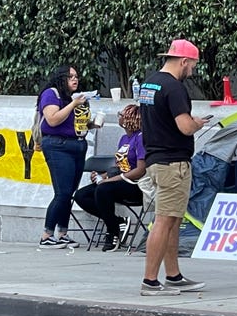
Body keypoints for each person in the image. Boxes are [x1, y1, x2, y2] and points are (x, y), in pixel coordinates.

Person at [138, 39, 211, 296]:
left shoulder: (150, 82)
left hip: (155, 159)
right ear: (184, 61)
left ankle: (173, 275)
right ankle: (150, 281)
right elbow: (184, 127)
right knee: (164, 221)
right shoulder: (174, 88)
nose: (192, 70)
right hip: (173, 163)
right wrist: (198, 123)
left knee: (172, 220)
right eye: (192, 65)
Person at [74, 103, 147, 252]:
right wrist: (103, 176)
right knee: (81, 195)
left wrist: (109, 181)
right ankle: (117, 222)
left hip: (135, 185)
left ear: (129, 119)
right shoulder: (123, 139)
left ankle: (112, 232)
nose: (118, 116)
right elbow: (120, 166)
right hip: (119, 182)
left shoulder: (141, 139)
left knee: (103, 190)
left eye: (121, 115)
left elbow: (140, 170)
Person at [37, 65, 94, 249]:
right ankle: (46, 235)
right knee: (62, 192)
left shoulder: (73, 98)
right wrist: (73, 104)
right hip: (57, 146)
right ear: (61, 79)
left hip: (77, 144)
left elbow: (75, 123)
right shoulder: (51, 94)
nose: (75, 80)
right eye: (70, 77)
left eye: (76, 76)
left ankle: (62, 233)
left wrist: (91, 124)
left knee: (69, 193)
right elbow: (53, 119)